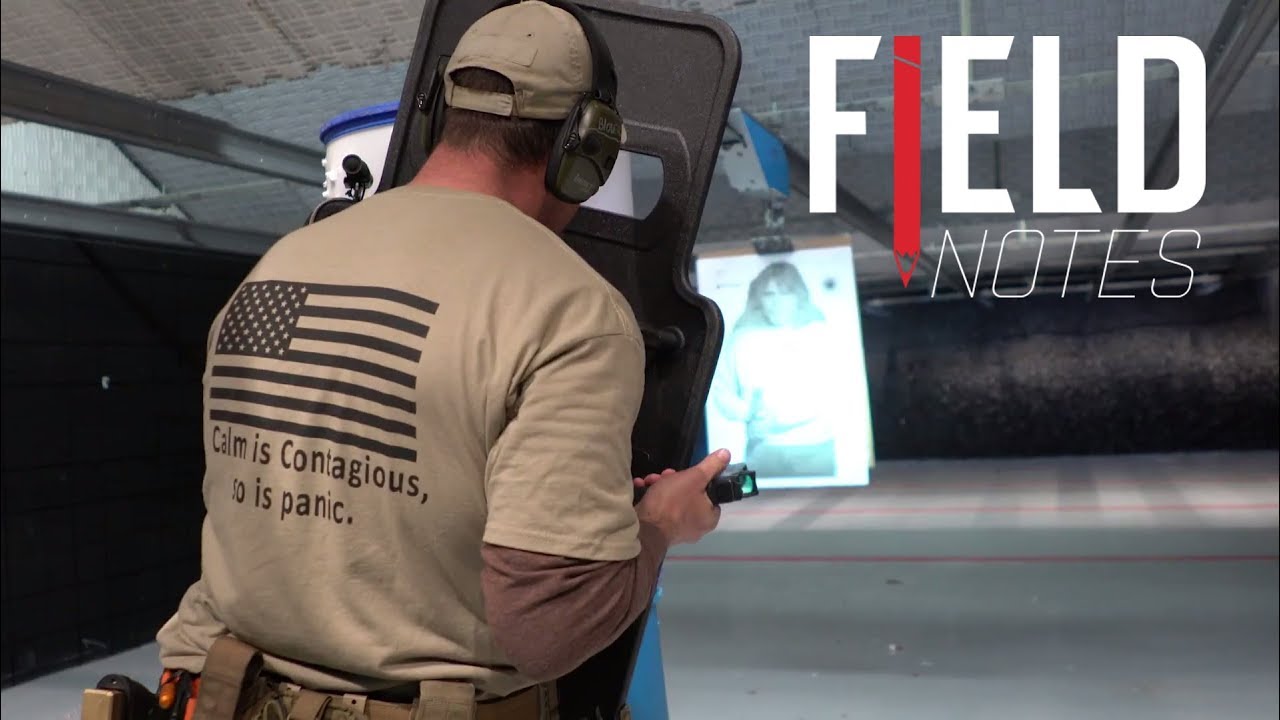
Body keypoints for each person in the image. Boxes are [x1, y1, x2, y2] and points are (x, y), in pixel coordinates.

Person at [151, 2, 729, 718]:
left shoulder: (279, 265)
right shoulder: (571, 310)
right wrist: (660, 523)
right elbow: (548, 628)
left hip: (217, 695)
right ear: (585, 152)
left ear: (434, 114)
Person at [708, 261, 841, 478]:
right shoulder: (742, 339)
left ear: (798, 296)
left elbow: (834, 390)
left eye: (785, 293)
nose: (777, 302)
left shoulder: (819, 334)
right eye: (769, 294)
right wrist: (748, 413)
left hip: (814, 448)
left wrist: (777, 420)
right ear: (759, 298)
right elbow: (721, 391)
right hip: (762, 450)